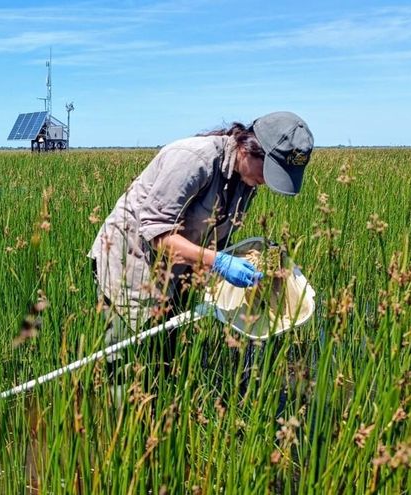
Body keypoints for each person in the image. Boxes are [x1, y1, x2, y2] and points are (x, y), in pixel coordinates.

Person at [88, 111, 314, 363]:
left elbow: (216, 236)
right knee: (121, 359)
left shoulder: (246, 182)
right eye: (268, 172)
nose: (265, 182)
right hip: (130, 264)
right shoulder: (194, 159)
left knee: (162, 354)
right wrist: (217, 261)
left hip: (177, 269)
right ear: (249, 148)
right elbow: (157, 233)